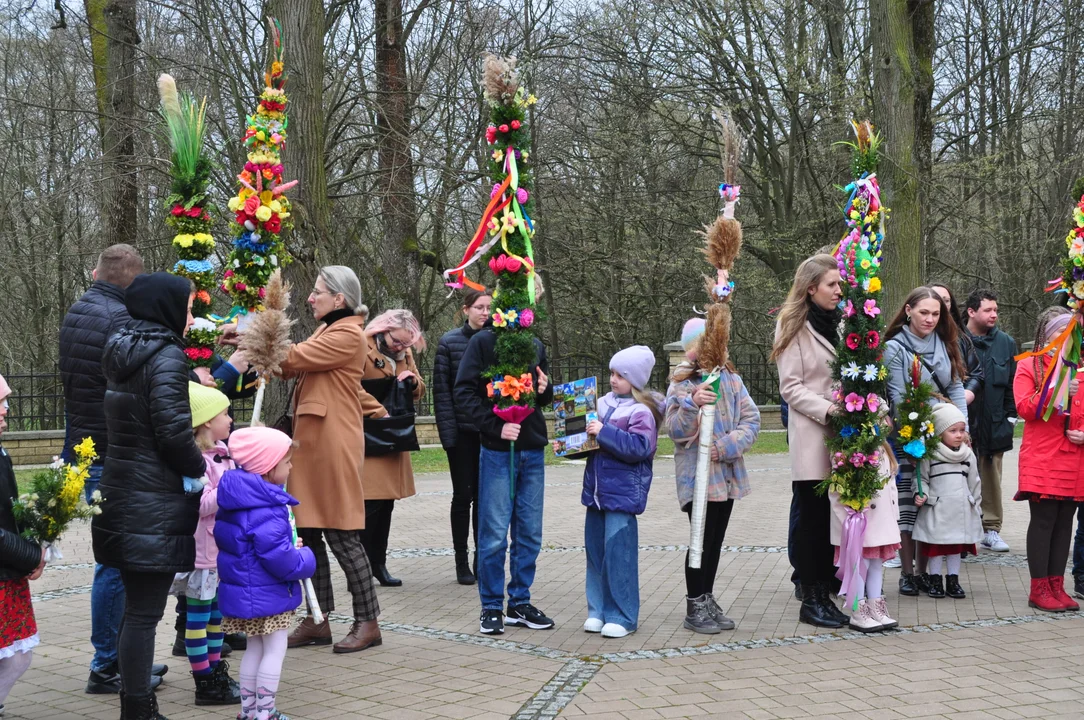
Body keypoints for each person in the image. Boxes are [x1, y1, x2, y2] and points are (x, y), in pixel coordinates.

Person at [92, 272, 207, 720]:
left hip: (123, 491)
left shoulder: (121, 348)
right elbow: (174, 432)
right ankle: (138, 709)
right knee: (144, 612)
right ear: (166, 308)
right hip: (152, 500)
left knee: (135, 610)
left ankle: (135, 703)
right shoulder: (166, 357)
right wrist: (199, 470)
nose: (191, 316)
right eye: (188, 307)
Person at [57, 244, 168, 695]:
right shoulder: (117, 319)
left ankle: (119, 657)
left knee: (114, 561)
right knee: (116, 565)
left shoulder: (81, 308)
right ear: (130, 280)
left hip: (86, 446)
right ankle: (107, 665)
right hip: (110, 453)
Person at [279, 266, 381, 653]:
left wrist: (255, 337)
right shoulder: (329, 329)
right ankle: (317, 619)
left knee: (342, 534)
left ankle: (368, 622)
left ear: (339, 298)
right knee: (308, 535)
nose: (310, 297)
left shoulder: (347, 334)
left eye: (317, 291)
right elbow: (290, 366)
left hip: (333, 444)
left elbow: (294, 358)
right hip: (312, 445)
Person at [453, 313, 555, 635]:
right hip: (498, 452)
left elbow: (542, 397)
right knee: (494, 534)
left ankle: (520, 602)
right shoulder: (482, 343)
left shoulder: (535, 344)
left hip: (533, 449)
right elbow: (463, 392)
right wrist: (496, 427)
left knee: (529, 534)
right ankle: (492, 606)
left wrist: (545, 388)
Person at [215, 427, 317, 720]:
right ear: (269, 468)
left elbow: (253, 545)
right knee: (274, 650)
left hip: (244, 593)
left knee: (253, 650)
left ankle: (249, 713)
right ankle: (266, 713)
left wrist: (286, 544)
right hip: (268, 593)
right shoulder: (267, 507)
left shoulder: (237, 499)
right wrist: (303, 556)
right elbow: (280, 560)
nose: (291, 466)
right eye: (287, 462)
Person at [770, 254, 850, 628]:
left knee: (835, 517)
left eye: (839, 283)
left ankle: (829, 588)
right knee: (812, 519)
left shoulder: (843, 323)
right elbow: (791, 388)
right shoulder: (792, 325)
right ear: (811, 287)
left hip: (845, 434)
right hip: (813, 433)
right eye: (832, 284)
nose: (839, 290)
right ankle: (812, 596)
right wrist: (831, 410)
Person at [669, 334, 761, 633]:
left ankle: (707, 597)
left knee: (715, 540)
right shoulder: (682, 383)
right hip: (697, 477)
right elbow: (674, 430)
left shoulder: (731, 379)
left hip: (726, 473)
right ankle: (694, 603)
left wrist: (724, 447)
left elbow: (751, 419)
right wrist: (691, 403)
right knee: (701, 539)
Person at [882, 286, 968, 597]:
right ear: (908, 311)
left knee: (932, 506)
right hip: (911, 436)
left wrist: (961, 428)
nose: (930, 319)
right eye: (923, 312)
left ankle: (926, 571)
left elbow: (956, 387)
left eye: (935, 313)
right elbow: (899, 397)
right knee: (909, 504)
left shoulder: (945, 344)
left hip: (945, 436)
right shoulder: (894, 348)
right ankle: (908, 573)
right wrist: (926, 428)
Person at [579, 346, 662, 639]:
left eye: (621, 375)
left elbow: (640, 448)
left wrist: (602, 431)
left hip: (622, 497)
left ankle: (622, 615)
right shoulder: (600, 403)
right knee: (596, 554)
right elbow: (584, 441)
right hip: (596, 495)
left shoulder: (642, 412)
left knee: (619, 556)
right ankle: (597, 610)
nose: (613, 379)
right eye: (612, 373)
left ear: (635, 380)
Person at [168, 383, 240, 706]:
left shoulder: (224, 453)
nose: (230, 419)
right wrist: (229, 487)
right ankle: (204, 681)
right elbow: (200, 504)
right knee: (197, 620)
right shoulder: (198, 461)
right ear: (207, 421)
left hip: (220, 552)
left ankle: (215, 671)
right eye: (224, 413)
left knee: (216, 618)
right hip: (202, 554)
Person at [1013, 308, 1083, 612]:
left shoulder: (1080, 367)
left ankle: (1057, 585)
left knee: (1065, 521)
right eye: (1061, 330)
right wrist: (1056, 391)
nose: (1068, 337)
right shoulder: (1029, 365)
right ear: (1046, 334)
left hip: (1073, 458)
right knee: (1044, 521)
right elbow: (1024, 408)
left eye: (1074, 331)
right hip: (1041, 456)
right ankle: (1038, 588)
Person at [358, 309, 426, 587]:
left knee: (386, 505)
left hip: (395, 434)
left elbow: (420, 386)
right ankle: (361, 568)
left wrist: (412, 382)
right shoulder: (361, 346)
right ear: (382, 330)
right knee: (369, 504)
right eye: (396, 341)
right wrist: (379, 411)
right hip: (369, 433)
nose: (400, 348)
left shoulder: (405, 352)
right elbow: (349, 387)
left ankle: (379, 563)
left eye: (405, 344)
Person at [433, 289, 492, 585]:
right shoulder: (449, 342)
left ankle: (482, 558)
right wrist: (449, 437)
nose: (485, 312)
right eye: (479, 307)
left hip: (490, 432)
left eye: (489, 308)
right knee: (463, 497)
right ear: (466, 309)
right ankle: (460, 560)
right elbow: (442, 394)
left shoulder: (497, 339)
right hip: (461, 433)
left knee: (485, 499)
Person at [0, 373, 46, 717]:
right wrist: (31, 555)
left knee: (15, 656)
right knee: (15, 657)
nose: (6, 411)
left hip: (7, 567)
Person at [963, 288, 1018, 553]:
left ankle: (991, 529)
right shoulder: (956, 339)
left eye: (996, 310)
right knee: (957, 476)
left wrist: (1010, 418)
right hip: (961, 423)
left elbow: (1011, 384)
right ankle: (959, 533)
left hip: (995, 422)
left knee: (992, 478)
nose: (994, 314)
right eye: (988, 310)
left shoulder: (1006, 343)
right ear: (972, 311)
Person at [912, 404, 983, 600]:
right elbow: (922, 479)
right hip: (937, 509)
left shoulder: (967, 455)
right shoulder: (929, 455)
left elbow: (974, 481)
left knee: (955, 548)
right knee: (936, 548)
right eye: (953, 431)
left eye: (962, 430)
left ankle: (953, 579)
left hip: (960, 509)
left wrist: (975, 504)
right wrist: (921, 493)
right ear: (940, 432)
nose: (959, 435)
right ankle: (935, 579)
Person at [828, 445, 900, 632]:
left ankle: (876, 608)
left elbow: (890, 485)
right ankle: (857, 611)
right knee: (859, 565)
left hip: (881, 520)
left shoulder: (883, 448)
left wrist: (894, 514)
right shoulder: (847, 446)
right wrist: (848, 518)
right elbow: (836, 489)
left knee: (875, 564)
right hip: (858, 520)